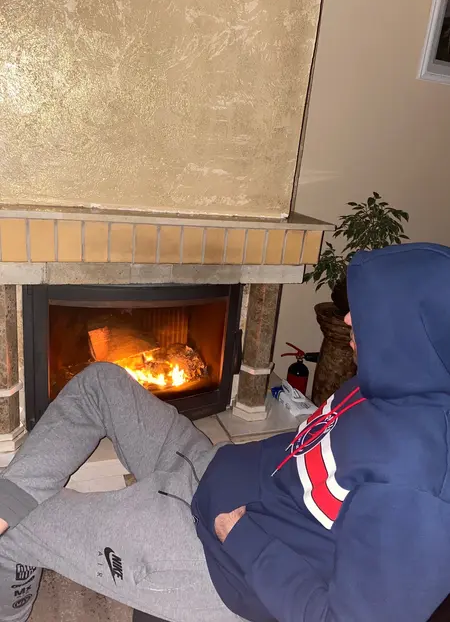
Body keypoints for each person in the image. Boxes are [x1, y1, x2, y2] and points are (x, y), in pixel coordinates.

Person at [0, 242, 450, 622]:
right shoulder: (384, 384)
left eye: (368, 310)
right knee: (102, 381)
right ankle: (8, 503)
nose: (348, 319)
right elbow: (302, 455)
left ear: (412, 329)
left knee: (16, 531)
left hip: (220, 558)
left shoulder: (420, 483)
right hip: (212, 471)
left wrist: (241, 539)